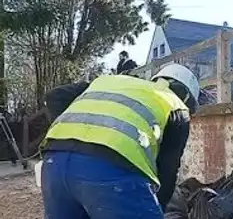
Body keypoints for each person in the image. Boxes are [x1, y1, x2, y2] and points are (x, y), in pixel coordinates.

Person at [39, 63, 200, 219]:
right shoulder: (176, 106)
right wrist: (158, 208)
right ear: (186, 97)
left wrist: (72, 138)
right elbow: (168, 173)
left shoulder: (110, 81)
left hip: (54, 163)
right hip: (111, 169)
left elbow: (54, 96)